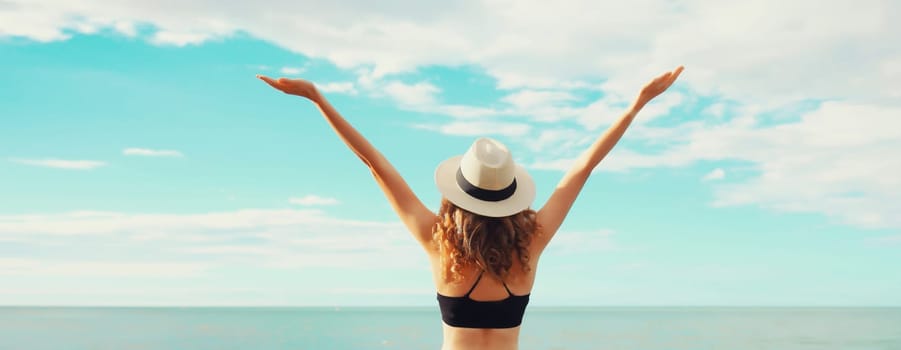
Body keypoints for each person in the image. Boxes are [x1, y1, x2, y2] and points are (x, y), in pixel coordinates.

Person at [257, 65, 684, 350]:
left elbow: (374, 165)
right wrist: (637, 103)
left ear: (458, 194)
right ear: (511, 193)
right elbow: (583, 168)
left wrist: (318, 99)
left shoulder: (435, 241)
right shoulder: (531, 243)